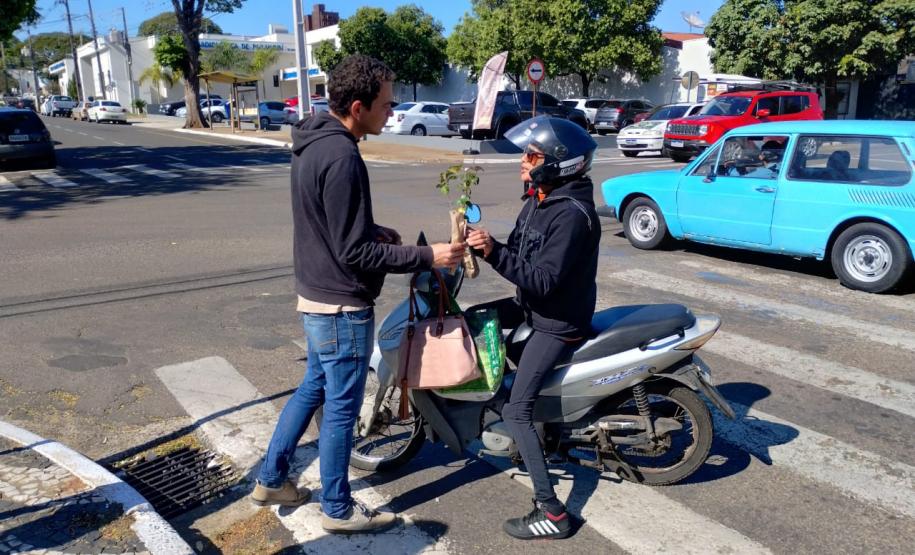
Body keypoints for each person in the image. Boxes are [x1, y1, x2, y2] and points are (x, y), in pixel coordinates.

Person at [250, 54, 465, 534]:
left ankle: (271, 479)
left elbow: (332, 224)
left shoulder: (312, 141)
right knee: (341, 411)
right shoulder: (342, 155)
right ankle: (338, 509)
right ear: (357, 107)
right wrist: (428, 256)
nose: (392, 111)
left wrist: (372, 229)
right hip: (341, 304)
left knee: (313, 387)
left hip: (315, 294)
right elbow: (355, 253)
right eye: (386, 104)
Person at [466, 116, 600, 540]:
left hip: (557, 321)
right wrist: (483, 245)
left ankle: (551, 512)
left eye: (532, 155)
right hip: (535, 307)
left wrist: (493, 253)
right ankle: (530, 420)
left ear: (559, 163)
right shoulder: (541, 200)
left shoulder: (572, 215)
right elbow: (521, 255)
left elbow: (542, 280)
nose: (523, 161)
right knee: (474, 320)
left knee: (516, 410)